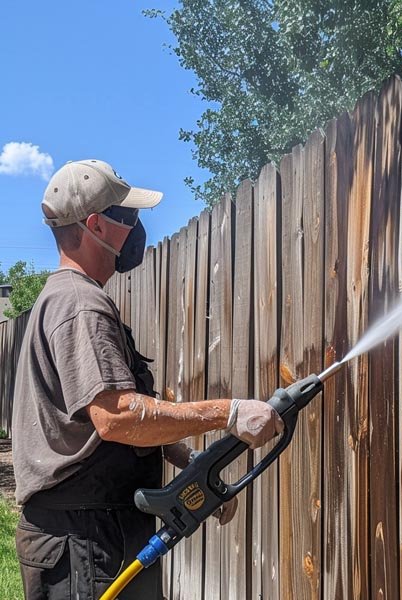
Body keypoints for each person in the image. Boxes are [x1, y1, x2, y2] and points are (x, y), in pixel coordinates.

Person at [11, 159, 283, 600]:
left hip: (82, 535)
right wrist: (229, 413)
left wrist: (192, 466)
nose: (137, 229)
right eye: (126, 217)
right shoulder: (81, 305)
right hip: (87, 541)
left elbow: (99, 424)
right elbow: (116, 417)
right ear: (96, 224)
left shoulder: (64, 297)